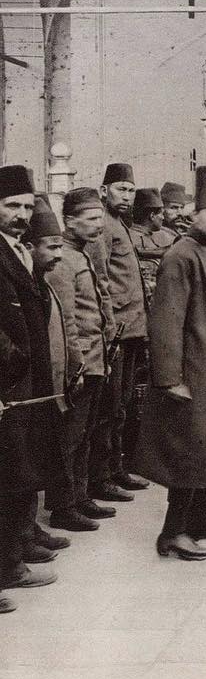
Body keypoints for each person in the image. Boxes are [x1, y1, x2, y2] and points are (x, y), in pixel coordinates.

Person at [134, 164, 206, 561]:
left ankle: (200, 518)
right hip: (192, 373)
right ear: (194, 214)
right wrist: (169, 379)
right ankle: (173, 532)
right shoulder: (180, 256)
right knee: (189, 452)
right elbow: (165, 322)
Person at [0, 166, 59, 609]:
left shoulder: (17, 250)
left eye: (25, 206)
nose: (21, 214)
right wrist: (15, 362)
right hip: (8, 383)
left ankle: (14, 556)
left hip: (26, 383)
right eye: (11, 206)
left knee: (21, 471)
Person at [45, 188, 117, 532]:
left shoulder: (82, 253)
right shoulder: (64, 260)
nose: (98, 225)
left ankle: (80, 494)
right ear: (69, 222)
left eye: (99, 218)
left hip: (96, 359)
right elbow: (66, 321)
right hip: (82, 365)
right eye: (90, 219)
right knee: (70, 437)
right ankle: (63, 505)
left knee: (86, 432)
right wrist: (77, 367)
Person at [24, 197, 79, 563]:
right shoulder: (26, 284)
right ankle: (21, 534)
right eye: (51, 247)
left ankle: (29, 529)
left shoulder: (43, 283)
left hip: (51, 386)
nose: (58, 255)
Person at [90, 163, 150, 497]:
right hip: (116, 331)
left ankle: (116, 468)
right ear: (104, 191)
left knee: (123, 404)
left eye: (130, 190)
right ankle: (100, 477)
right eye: (120, 189)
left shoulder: (119, 224)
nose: (126, 196)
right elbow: (100, 279)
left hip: (131, 330)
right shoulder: (103, 226)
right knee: (109, 407)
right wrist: (110, 325)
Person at [130, 187, 170, 300]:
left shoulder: (151, 235)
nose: (163, 218)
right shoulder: (133, 237)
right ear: (152, 216)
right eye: (161, 214)